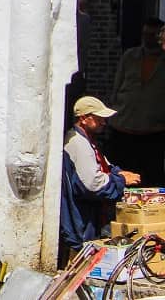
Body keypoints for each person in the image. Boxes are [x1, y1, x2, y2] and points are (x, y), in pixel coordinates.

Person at [60, 96, 142, 264]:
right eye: (99, 119)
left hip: (92, 216)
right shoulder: (78, 144)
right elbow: (93, 184)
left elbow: (104, 164)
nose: (103, 123)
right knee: (81, 261)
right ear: (84, 118)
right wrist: (120, 180)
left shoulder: (88, 141)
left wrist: (119, 173)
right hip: (82, 218)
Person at [108, 18, 165, 185]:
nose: (149, 38)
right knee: (122, 171)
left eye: (153, 35)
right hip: (124, 124)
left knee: (151, 175)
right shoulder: (130, 56)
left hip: (153, 128)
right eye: (146, 34)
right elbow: (117, 85)